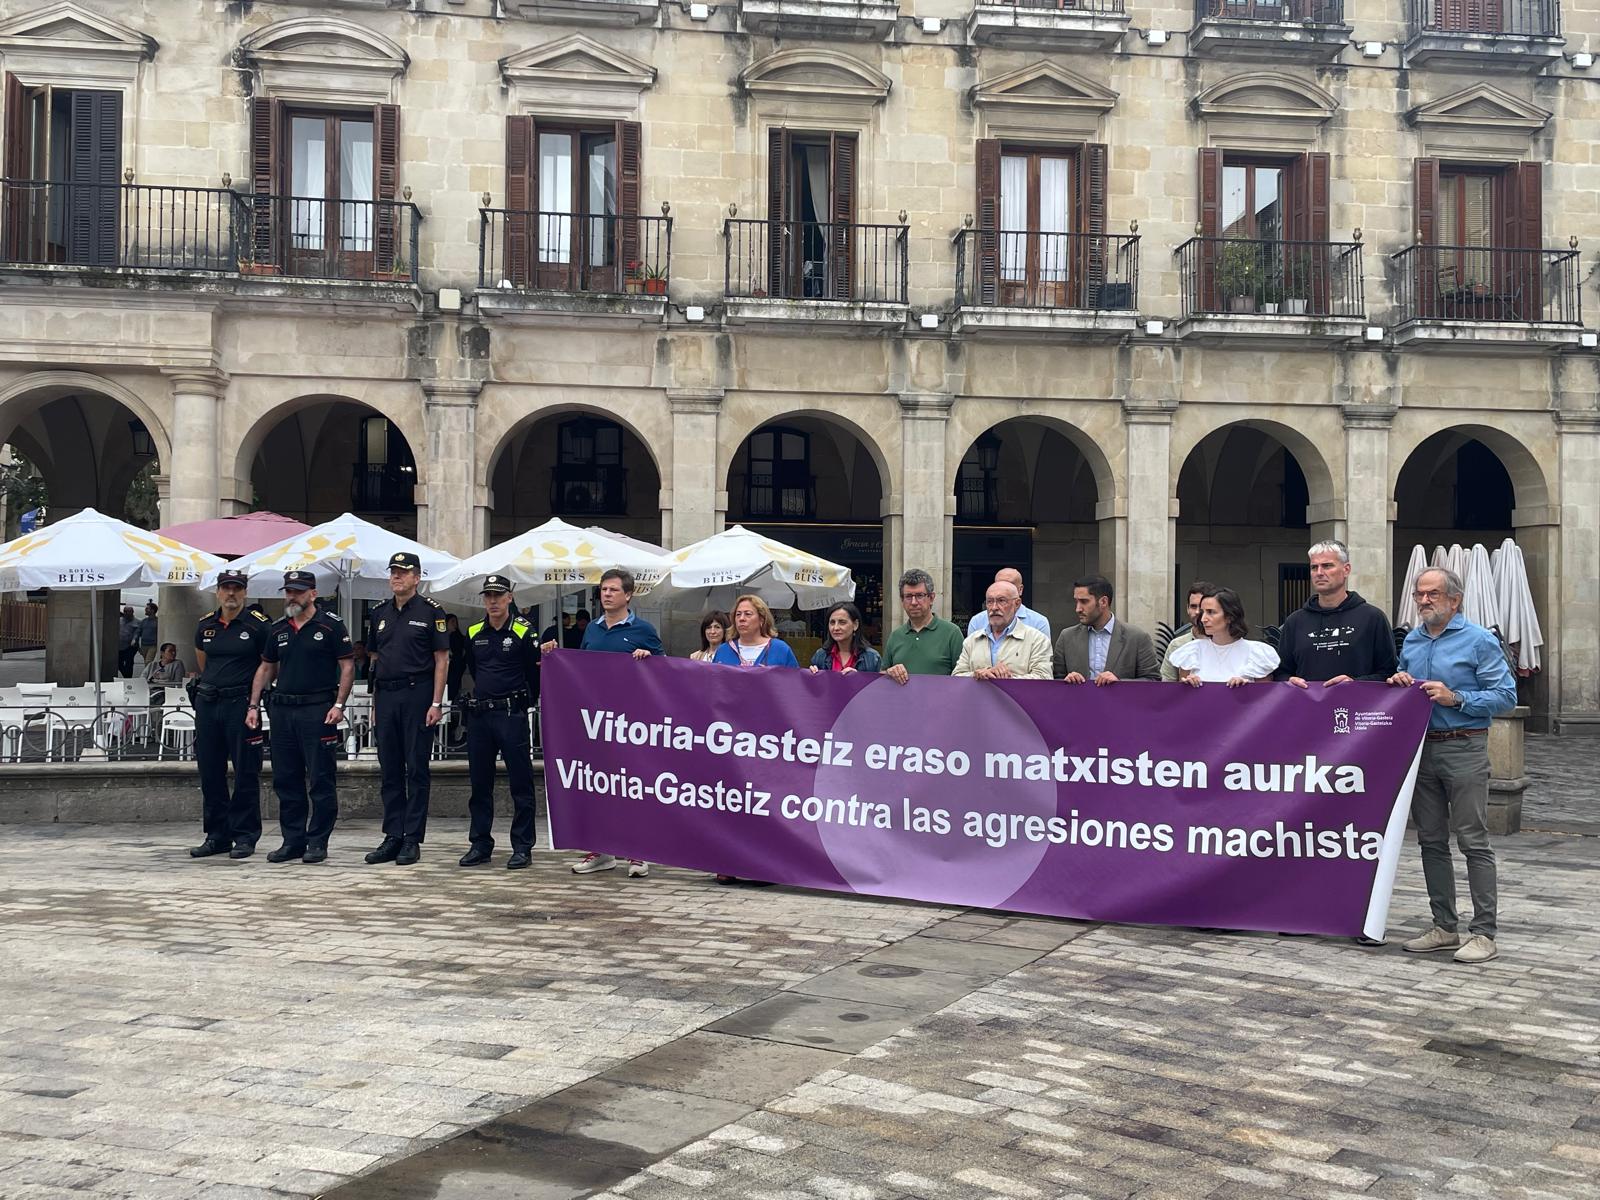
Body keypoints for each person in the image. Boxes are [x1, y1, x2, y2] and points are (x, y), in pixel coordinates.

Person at [1388, 566, 1517, 965]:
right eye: (1419, 594)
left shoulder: (1478, 641)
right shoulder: (1412, 639)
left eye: (1432, 594)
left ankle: (1484, 932)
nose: (1423, 601)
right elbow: (1406, 685)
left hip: (1464, 747)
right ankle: (1444, 925)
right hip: (1422, 749)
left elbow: (1506, 696)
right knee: (1430, 840)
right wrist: (1400, 680)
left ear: (1454, 600)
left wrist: (1456, 697)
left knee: (1473, 841)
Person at [542, 568, 662, 877]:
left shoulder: (643, 629)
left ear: (628, 594)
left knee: (632, 786)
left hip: (630, 722)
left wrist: (648, 658)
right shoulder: (592, 630)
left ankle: (638, 853)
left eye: (612, 590)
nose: (606, 594)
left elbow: (666, 672)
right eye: (603, 590)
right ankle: (600, 850)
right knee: (597, 785)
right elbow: (580, 668)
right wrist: (556, 656)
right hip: (594, 722)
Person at [246, 571, 354, 864]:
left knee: (320, 778)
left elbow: (347, 666)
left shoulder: (331, 626)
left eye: (298, 591)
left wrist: (340, 704)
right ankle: (292, 840)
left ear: (313, 594)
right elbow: (266, 667)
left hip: (317, 709)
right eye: (288, 591)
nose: (292, 596)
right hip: (283, 710)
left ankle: (317, 841)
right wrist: (253, 705)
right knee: (286, 778)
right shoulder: (278, 628)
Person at [364, 552, 450, 866]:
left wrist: (436, 702)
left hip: (417, 694)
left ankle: (412, 838)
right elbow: (373, 659)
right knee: (389, 769)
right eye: (394, 572)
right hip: (386, 695)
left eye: (404, 572)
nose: (397, 577)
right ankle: (392, 835)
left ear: (417, 577)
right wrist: (374, 702)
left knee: (415, 768)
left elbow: (442, 659)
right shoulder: (379, 612)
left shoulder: (431, 612)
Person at [188, 570, 270, 860]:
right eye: (226, 588)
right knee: (210, 772)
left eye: (237, 588)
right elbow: (203, 663)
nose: (231, 594)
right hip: (209, 703)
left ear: (245, 592)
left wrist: (253, 701)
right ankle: (217, 835)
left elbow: (269, 665)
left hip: (241, 704)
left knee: (246, 772)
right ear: (218, 592)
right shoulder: (205, 625)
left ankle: (245, 836)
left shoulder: (259, 626)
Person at [460, 576, 541, 869]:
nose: (493, 601)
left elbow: (535, 674)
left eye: (498, 595)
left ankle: (522, 846)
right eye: (488, 596)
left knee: (520, 783)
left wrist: (523, 704)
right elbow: (473, 667)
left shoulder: (524, 631)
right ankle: (480, 844)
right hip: (480, 715)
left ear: (510, 597)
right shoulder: (473, 631)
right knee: (480, 784)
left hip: (510, 714)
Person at [1276, 540, 1397, 688]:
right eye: (1314, 567)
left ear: (1346, 570)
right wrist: (1289, 681)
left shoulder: (1373, 618)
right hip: (1307, 707)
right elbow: (1281, 672)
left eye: (1327, 566)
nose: (1319, 573)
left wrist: (1354, 683)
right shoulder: (1294, 621)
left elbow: (1389, 673)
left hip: (1358, 707)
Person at [1052, 575, 1160, 685]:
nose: (1078, 609)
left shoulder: (1137, 637)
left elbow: (1153, 681)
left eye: (1084, 601)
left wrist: (1120, 683)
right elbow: (1054, 681)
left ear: (1103, 602)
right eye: (1077, 601)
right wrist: (1067, 680)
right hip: (1078, 701)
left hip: (1121, 701)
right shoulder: (1067, 637)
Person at [1170, 586, 1279, 686]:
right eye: (1203, 612)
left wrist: (1246, 689)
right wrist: (1189, 684)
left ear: (1230, 616)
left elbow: (1266, 700)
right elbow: (1182, 700)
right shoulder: (1191, 651)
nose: (1203, 619)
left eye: (1211, 612)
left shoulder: (1257, 653)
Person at [953, 580, 1053, 681]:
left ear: (1017, 604)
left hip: (1015, 697)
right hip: (979, 697)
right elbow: (956, 677)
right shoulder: (972, 640)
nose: (994, 608)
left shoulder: (1037, 640)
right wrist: (976, 675)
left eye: (1001, 601)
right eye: (990, 602)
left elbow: (1044, 678)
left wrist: (1005, 679)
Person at [882, 568, 965, 685]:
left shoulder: (951, 633)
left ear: (931, 598)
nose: (914, 602)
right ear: (902, 600)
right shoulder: (895, 636)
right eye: (908, 596)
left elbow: (962, 677)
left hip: (940, 702)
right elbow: (882, 676)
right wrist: (889, 673)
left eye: (920, 595)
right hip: (902, 702)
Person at [713, 594, 801, 668]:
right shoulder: (723, 650)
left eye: (748, 614)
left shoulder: (780, 649)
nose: (741, 618)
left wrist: (813, 674)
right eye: (738, 614)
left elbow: (795, 682)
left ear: (761, 619)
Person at [964, 567, 1051, 642]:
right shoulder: (977, 621)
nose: (1003, 589)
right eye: (999, 584)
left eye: (1009, 585)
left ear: (1020, 590)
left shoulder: (1039, 622)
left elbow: (1042, 658)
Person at [1161, 581, 1214, 683]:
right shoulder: (1177, 645)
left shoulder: (1226, 643)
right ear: (1187, 608)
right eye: (1193, 606)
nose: (1197, 612)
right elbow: (1166, 687)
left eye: (1202, 607)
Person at [808, 602, 880, 674]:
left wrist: (858, 678)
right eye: (832, 622)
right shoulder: (820, 656)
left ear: (855, 625)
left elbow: (879, 684)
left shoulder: (872, 658)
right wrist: (811, 676)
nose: (836, 628)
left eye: (842, 622)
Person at [117, 605, 138, 678]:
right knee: (118, 663)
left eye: (129, 612)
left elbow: (137, 633)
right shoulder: (119, 620)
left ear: (132, 612)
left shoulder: (137, 622)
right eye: (126, 612)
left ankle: (128, 678)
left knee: (129, 663)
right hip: (119, 646)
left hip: (130, 646)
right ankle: (126, 675)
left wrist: (134, 639)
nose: (127, 613)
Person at [138, 601, 159, 666]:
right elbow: (139, 632)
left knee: (148, 662)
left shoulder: (158, 621)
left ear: (152, 610)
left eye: (147, 608)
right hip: (144, 645)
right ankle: (148, 674)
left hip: (153, 645)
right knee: (146, 663)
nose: (145, 610)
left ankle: (148, 675)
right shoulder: (144, 621)